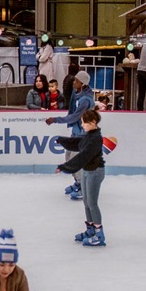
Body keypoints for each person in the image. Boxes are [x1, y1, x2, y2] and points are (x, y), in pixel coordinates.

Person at [59, 107, 108, 247]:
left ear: (93, 122)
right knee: (86, 202)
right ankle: (91, 230)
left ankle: (99, 234)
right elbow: (78, 144)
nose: (82, 125)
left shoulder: (96, 138)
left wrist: (65, 166)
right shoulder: (88, 136)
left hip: (95, 172)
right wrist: (62, 140)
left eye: (84, 123)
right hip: (88, 171)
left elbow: (83, 155)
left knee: (92, 203)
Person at [53, 72, 95, 200]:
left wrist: (56, 119)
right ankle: (78, 183)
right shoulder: (76, 94)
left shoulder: (85, 100)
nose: (73, 82)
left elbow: (75, 116)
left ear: (82, 84)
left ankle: (83, 188)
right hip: (76, 133)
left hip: (84, 136)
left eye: (76, 81)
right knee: (68, 158)